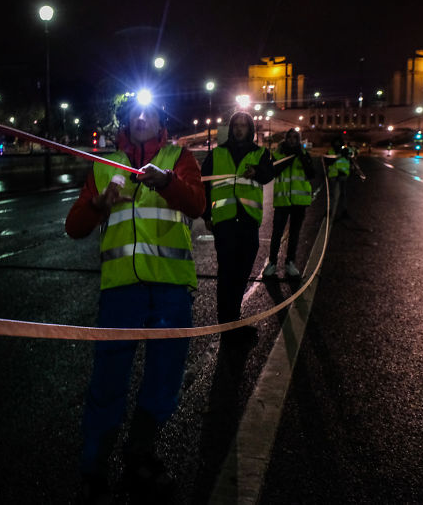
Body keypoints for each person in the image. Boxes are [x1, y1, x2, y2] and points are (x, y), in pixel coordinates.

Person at [65, 101, 206, 502]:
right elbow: (74, 227)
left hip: (170, 289)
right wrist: (97, 205)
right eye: (135, 114)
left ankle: (140, 455)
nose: (141, 119)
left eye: (149, 114)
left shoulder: (179, 158)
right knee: (107, 382)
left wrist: (167, 182)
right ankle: (94, 469)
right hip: (120, 291)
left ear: (161, 121)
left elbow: (197, 204)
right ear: (127, 122)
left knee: (164, 378)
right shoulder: (103, 165)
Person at [201, 111, 275, 339]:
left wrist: (258, 171)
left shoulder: (260, 153)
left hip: (248, 221)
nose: (239, 129)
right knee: (226, 274)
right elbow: (204, 184)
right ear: (231, 128)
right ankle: (227, 325)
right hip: (224, 222)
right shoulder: (217, 153)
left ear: (250, 129)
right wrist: (206, 215)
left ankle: (233, 319)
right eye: (236, 125)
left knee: (242, 273)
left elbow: (269, 174)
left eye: (244, 125)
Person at [263, 128, 315, 278]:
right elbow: (274, 171)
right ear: (285, 139)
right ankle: (272, 263)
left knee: (294, 233)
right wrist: (290, 157)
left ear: (299, 140)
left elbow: (311, 173)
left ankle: (290, 262)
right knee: (277, 233)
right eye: (290, 137)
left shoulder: (304, 154)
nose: (292, 140)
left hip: (299, 201)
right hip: (282, 200)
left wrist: (301, 156)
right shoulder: (278, 154)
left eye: (295, 137)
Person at [325, 136, 351, 219]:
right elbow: (327, 162)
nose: (337, 144)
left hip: (342, 175)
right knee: (332, 194)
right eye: (336, 143)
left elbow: (351, 155)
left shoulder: (345, 151)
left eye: (338, 143)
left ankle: (343, 210)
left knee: (343, 194)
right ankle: (330, 210)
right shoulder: (330, 152)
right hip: (333, 175)